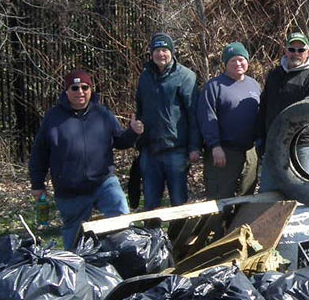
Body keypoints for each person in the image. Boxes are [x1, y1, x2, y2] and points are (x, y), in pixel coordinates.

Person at [29, 69, 143, 250]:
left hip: (103, 182)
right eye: (74, 88)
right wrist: (37, 184)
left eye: (85, 87)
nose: (80, 92)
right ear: (66, 91)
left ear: (91, 90)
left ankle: (124, 260)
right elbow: (39, 153)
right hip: (70, 189)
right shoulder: (53, 118)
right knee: (74, 237)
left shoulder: (103, 114)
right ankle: (74, 270)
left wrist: (133, 133)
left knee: (121, 220)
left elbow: (120, 141)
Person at [134, 32, 199, 210]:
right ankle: (152, 237)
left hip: (176, 150)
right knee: (150, 205)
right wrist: (137, 133)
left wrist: (194, 147)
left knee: (179, 205)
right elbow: (139, 108)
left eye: (164, 50)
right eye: (157, 50)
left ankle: (180, 238)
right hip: (150, 150)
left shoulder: (186, 77)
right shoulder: (145, 77)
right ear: (151, 53)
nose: (161, 54)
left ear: (172, 52)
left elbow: (194, 114)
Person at [258, 32, 309, 192]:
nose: (296, 53)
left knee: (299, 192)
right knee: (268, 192)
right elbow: (264, 108)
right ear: (285, 51)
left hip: (302, 144)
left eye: (301, 50)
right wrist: (260, 138)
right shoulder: (274, 75)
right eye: (292, 49)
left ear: (308, 52)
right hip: (274, 142)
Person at [196, 42, 262, 200]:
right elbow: (207, 118)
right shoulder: (214, 87)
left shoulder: (254, 85)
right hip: (224, 152)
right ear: (226, 64)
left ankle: (242, 226)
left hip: (250, 152)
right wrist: (215, 146)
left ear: (247, 61)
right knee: (221, 199)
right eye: (233, 61)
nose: (238, 63)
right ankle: (219, 226)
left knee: (246, 198)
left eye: (241, 59)